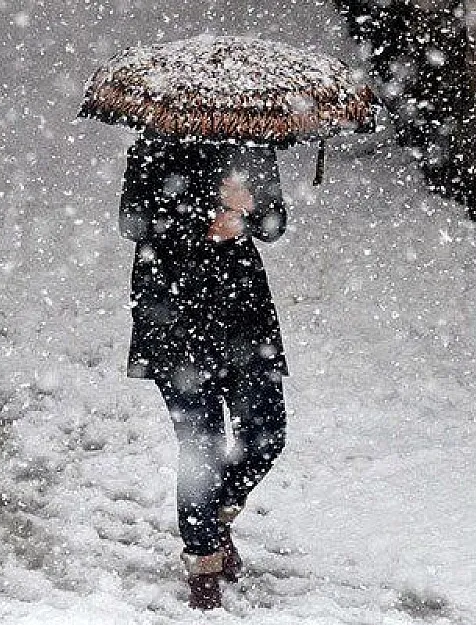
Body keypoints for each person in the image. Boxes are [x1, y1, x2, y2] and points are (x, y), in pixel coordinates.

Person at [119, 132, 289, 610]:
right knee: (202, 447)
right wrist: (206, 214)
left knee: (267, 432)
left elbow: (274, 225)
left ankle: (212, 519)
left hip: (242, 315)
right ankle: (203, 566)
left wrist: (248, 212)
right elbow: (132, 223)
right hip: (173, 312)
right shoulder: (152, 148)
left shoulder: (252, 147)